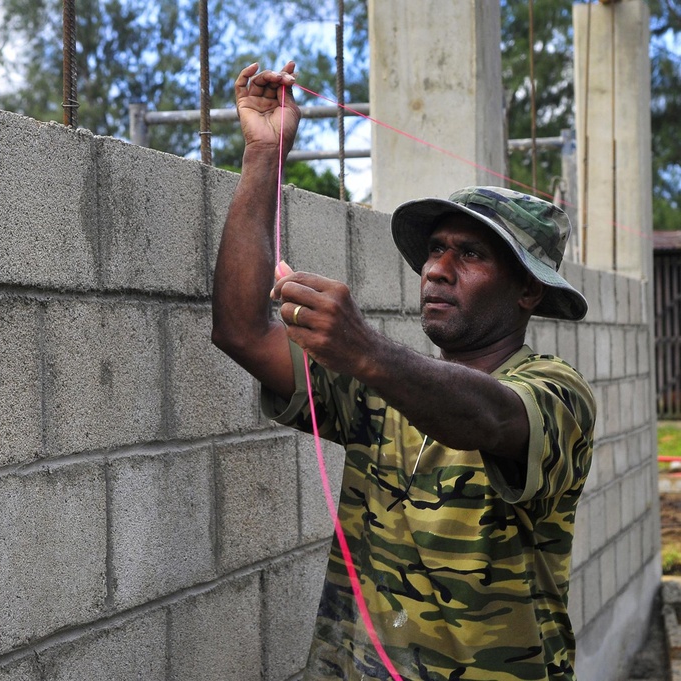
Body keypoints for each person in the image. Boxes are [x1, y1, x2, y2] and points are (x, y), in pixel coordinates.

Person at [211, 62, 595, 681]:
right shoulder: (379, 388)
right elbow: (240, 331)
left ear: (528, 292)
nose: (437, 269)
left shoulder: (557, 392)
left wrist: (364, 349)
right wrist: (263, 154)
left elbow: (488, 416)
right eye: (435, 249)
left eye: (470, 254)